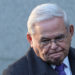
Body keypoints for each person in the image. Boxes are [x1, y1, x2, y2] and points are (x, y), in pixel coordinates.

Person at [3, 3, 75, 75]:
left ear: (70, 32)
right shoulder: (15, 73)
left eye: (59, 38)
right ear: (30, 39)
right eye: (45, 41)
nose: (54, 46)